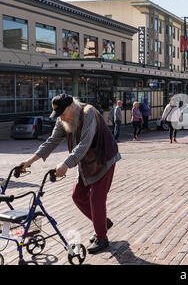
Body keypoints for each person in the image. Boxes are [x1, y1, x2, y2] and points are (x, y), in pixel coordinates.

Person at [19, 94, 119, 254]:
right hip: (86, 163)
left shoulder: (89, 113)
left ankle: (102, 237)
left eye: (63, 114)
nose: (61, 118)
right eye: (58, 115)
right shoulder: (63, 120)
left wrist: (66, 164)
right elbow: (51, 141)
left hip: (104, 159)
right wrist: (29, 161)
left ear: (72, 106)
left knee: (96, 198)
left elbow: (84, 144)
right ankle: (102, 223)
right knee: (77, 195)